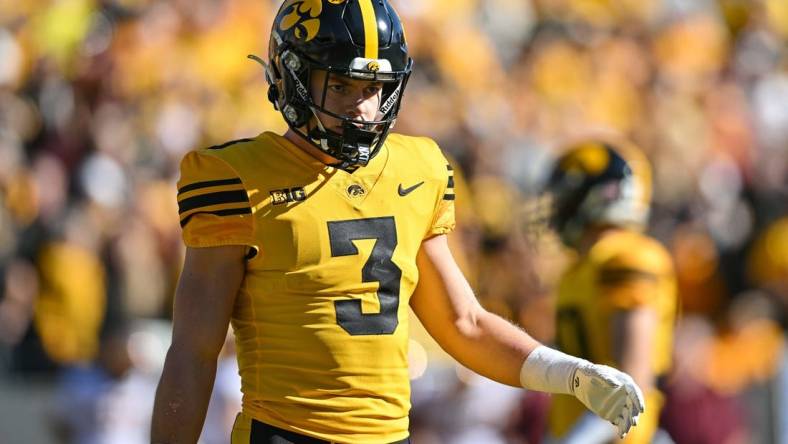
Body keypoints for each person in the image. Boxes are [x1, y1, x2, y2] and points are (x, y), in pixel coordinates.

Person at [150, 2, 645, 443]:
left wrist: (569, 373)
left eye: (374, 87)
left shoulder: (418, 167)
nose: (361, 106)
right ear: (292, 75)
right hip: (285, 432)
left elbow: (464, 323)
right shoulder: (236, 177)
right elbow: (194, 352)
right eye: (340, 84)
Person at [541, 140, 678, 444]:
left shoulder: (628, 258)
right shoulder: (579, 270)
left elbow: (631, 383)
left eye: (567, 194)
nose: (558, 207)